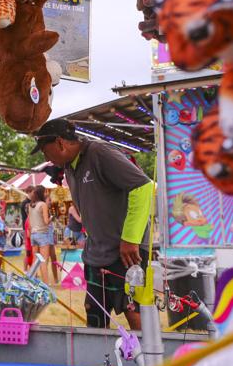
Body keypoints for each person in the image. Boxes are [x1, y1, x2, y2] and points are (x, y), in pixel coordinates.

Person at [31, 118, 152, 330]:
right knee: (94, 314)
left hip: (127, 252)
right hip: (97, 253)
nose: (45, 157)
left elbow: (143, 187)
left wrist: (131, 238)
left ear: (60, 143)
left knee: (133, 311)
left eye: (45, 150)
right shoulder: (69, 167)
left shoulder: (100, 153)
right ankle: (98, 361)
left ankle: (152, 362)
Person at [28, 186, 55, 284]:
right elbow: (46, 221)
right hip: (43, 234)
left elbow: (30, 223)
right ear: (41, 193)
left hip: (33, 235)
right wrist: (51, 218)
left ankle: (31, 282)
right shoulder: (43, 205)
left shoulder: (30, 205)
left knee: (35, 260)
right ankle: (46, 285)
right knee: (43, 261)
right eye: (45, 192)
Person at [20, 186, 34, 270]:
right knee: (28, 251)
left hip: (29, 227)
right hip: (27, 228)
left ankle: (30, 269)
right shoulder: (26, 203)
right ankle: (25, 270)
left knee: (31, 251)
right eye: (33, 192)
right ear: (29, 192)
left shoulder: (30, 202)